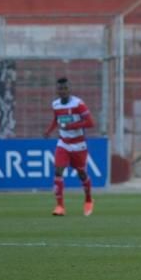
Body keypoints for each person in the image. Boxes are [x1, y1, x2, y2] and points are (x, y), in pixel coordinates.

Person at [43, 77, 95, 217]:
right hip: (64, 143)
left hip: (79, 145)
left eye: (66, 88)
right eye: (61, 89)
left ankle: (89, 199)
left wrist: (72, 126)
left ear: (69, 89)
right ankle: (60, 206)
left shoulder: (78, 104)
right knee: (58, 171)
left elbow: (90, 123)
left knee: (81, 174)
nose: (63, 91)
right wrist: (49, 130)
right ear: (57, 90)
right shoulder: (55, 104)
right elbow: (57, 119)